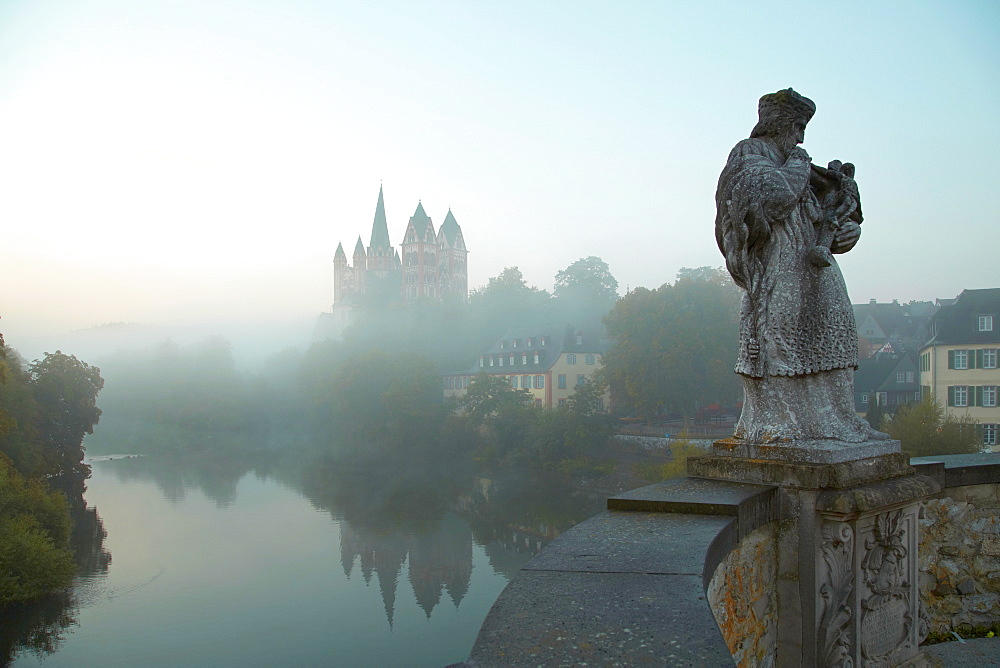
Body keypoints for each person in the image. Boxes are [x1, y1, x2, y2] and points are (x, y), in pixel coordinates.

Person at [715, 88, 885, 444]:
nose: (802, 136)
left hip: (816, 269)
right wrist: (798, 165)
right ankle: (779, 423)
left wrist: (845, 232)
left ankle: (836, 421)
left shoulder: (801, 167)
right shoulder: (750, 155)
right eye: (797, 126)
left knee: (835, 337)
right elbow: (772, 198)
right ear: (777, 124)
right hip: (779, 268)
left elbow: (827, 215)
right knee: (779, 340)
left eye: (805, 126)